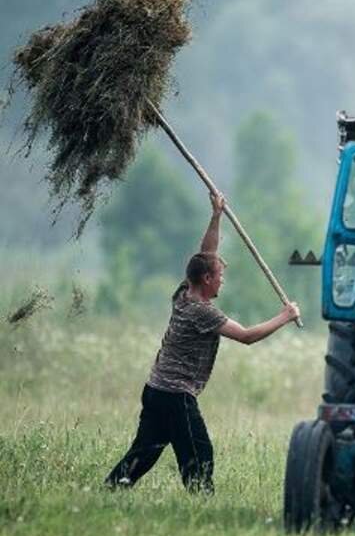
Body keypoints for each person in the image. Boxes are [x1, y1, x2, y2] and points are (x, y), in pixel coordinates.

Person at [105, 191, 301, 493]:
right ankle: (202, 501)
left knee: (146, 450)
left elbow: (205, 253)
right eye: (220, 275)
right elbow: (247, 337)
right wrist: (284, 316)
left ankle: (112, 489)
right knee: (199, 453)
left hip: (156, 389)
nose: (223, 279)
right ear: (207, 279)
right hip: (175, 395)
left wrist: (216, 215)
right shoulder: (201, 311)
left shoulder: (184, 292)